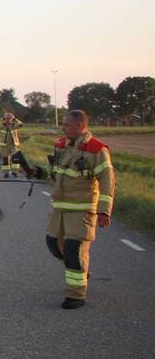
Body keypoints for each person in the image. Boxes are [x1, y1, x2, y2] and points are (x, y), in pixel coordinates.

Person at [45, 110, 115, 309]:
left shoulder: (96, 150)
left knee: (73, 250)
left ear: (80, 126)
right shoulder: (62, 146)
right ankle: (81, 271)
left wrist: (104, 210)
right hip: (59, 209)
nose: (63, 128)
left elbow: (108, 182)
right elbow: (55, 175)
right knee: (53, 244)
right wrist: (36, 172)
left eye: (67, 124)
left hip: (81, 210)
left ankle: (76, 294)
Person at [0, 111, 23, 177]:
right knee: (5, 160)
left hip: (14, 145)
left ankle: (14, 172)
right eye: (7, 118)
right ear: (5, 119)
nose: (8, 120)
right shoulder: (2, 125)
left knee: (15, 158)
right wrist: (3, 118)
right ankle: (6, 173)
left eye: (10, 118)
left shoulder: (14, 125)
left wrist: (15, 119)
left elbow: (20, 124)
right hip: (4, 145)